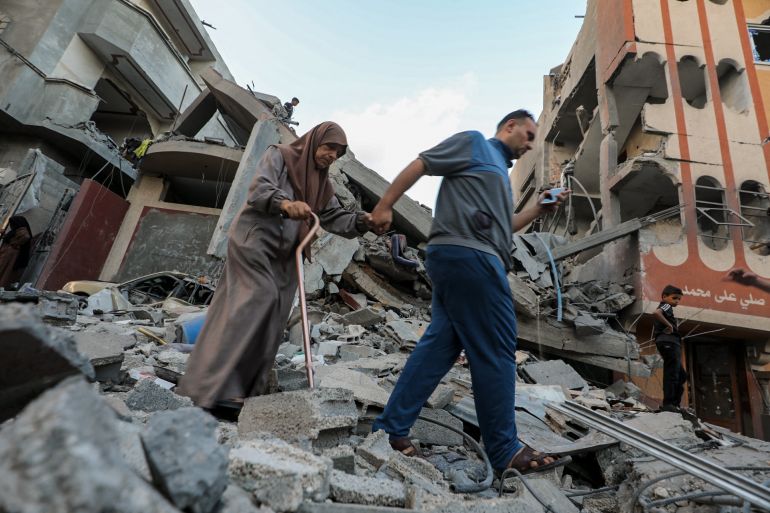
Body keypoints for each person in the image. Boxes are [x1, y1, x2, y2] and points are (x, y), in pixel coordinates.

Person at [368, 110, 569, 475]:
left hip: (459, 257)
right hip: (471, 255)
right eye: (527, 135)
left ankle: (391, 429)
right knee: (496, 347)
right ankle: (504, 449)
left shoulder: (498, 174)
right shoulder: (476, 143)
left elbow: (505, 226)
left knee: (440, 346)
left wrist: (540, 207)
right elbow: (422, 163)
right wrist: (385, 205)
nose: (529, 145)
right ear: (509, 126)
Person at [177, 122, 371, 409]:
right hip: (254, 241)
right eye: (329, 147)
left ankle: (244, 390)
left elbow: (334, 218)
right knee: (258, 298)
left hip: (286, 254)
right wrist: (285, 204)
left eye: (338, 153)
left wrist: (363, 222)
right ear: (314, 141)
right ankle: (214, 387)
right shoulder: (280, 155)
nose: (332, 155)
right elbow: (258, 190)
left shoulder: (322, 184)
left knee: (276, 313)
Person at [653, 284, 687, 413]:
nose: (677, 301)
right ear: (664, 296)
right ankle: (668, 404)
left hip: (672, 343)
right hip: (668, 342)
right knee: (672, 373)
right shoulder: (665, 305)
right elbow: (656, 313)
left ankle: (675, 404)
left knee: (682, 375)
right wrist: (669, 325)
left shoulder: (669, 308)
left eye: (679, 299)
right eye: (674, 298)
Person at [0, 215, 32, 288]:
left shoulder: (22, 230)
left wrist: (15, 243)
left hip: (9, 254)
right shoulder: (18, 230)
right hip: (7, 252)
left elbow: (26, 237)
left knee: (3, 270)